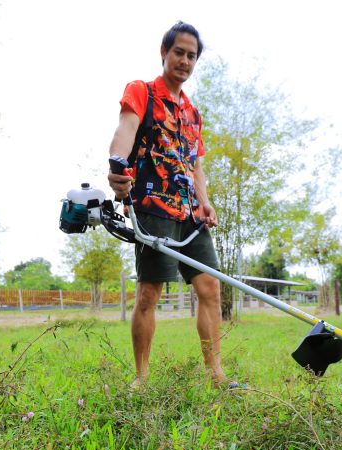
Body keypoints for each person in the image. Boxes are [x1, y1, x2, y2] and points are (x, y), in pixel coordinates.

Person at [107, 21, 234, 390]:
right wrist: (117, 166)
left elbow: (195, 165)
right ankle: (141, 377)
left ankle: (216, 374)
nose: (185, 60)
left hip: (191, 216)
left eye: (192, 55)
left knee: (210, 287)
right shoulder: (142, 91)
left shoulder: (193, 114)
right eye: (179, 52)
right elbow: (124, 133)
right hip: (153, 208)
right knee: (150, 292)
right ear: (164, 53)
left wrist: (205, 203)